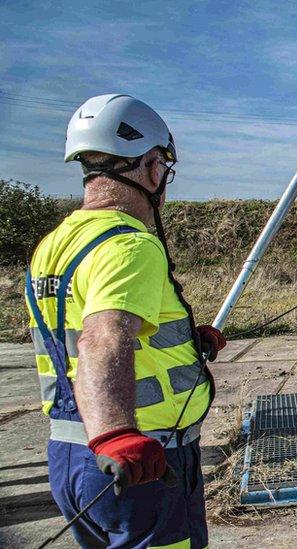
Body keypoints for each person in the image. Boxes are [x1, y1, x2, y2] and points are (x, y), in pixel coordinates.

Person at [25, 94, 223, 548]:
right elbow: (102, 338)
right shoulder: (131, 245)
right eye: (165, 170)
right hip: (141, 460)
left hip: (74, 456)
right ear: (152, 166)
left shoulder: (54, 244)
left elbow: (76, 330)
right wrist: (117, 435)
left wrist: (187, 343)